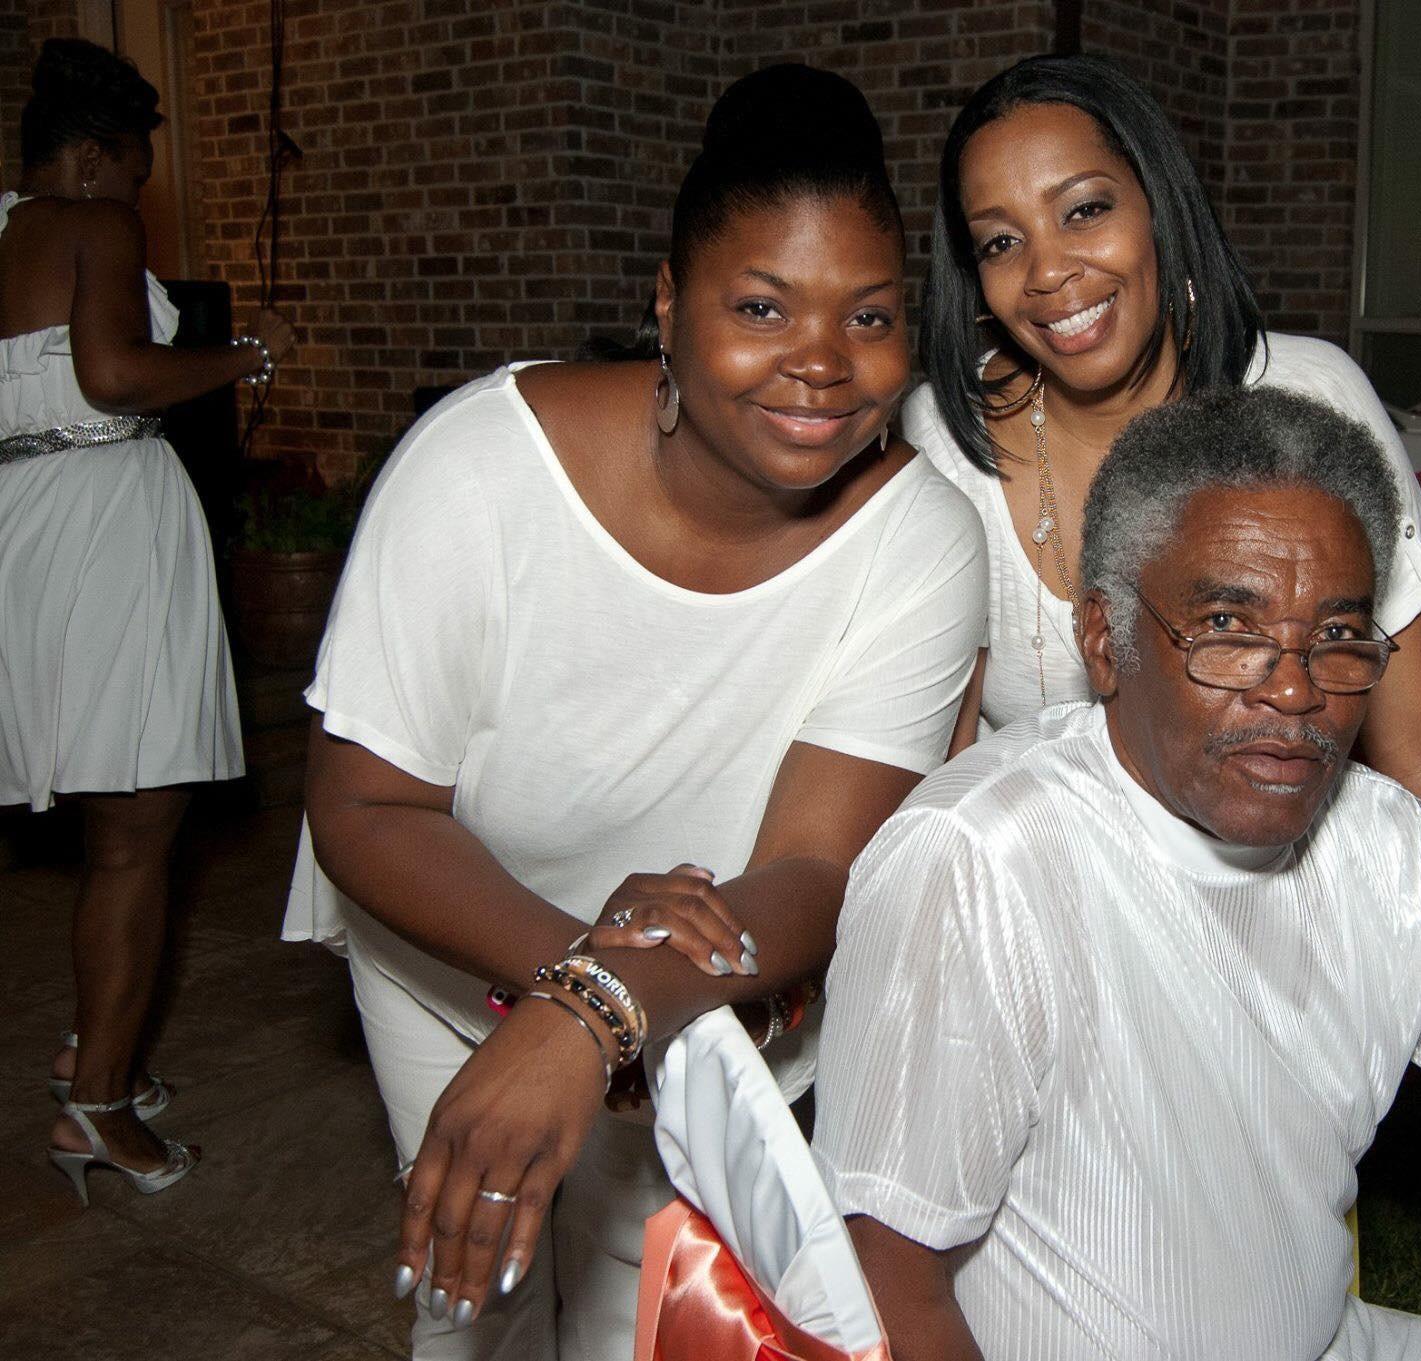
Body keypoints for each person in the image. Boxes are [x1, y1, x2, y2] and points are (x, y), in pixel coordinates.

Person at [813, 387, 1421, 1361]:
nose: (1296, 689)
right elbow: (882, 1278)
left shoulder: (1397, 858)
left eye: (1338, 637)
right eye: (1228, 627)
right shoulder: (979, 862)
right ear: (1104, 638)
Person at [291, 66, 983, 1358]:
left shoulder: (922, 538)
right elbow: (369, 804)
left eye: (873, 316)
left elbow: (816, 863)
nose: (824, 364)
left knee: (652, 1308)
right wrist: (579, 996)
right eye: (763, 305)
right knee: (478, 1307)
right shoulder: (479, 467)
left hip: (715, 982)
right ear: (668, 305)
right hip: (448, 938)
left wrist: (608, 1001)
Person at [906, 54, 1421, 930]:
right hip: (1046, 926)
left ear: (1160, 207)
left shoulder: (1307, 398)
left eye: (1085, 209)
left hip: (1289, 918)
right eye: (1002, 241)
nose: (1048, 271)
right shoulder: (946, 437)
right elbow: (938, 768)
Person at [1, 38, 295, 1202]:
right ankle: (101, 1107)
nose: (134, 195)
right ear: (86, 158)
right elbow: (118, 376)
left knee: (103, 816)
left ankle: (95, 1046)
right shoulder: (94, 224)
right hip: (105, 522)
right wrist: (244, 357)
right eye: (130, 169)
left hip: (25, 517)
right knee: (135, 837)